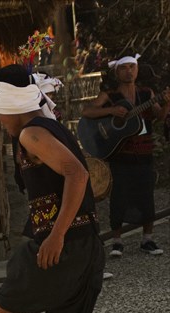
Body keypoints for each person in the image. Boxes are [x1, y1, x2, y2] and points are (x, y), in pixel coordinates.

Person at [0, 64, 118, 313]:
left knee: (2, 311)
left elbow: (78, 173)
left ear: (11, 105)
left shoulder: (32, 133)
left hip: (64, 244)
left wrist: (57, 234)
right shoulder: (47, 127)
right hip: (84, 242)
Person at [82, 55, 170, 257]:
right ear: (117, 72)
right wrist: (112, 110)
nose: (129, 71)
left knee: (147, 195)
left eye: (133, 67)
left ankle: (147, 239)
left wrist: (166, 104)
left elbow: (159, 116)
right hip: (121, 155)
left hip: (144, 153)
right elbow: (87, 112)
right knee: (119, 197)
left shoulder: (147, 94)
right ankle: (117, 241)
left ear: (137, 70)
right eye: (124, 68)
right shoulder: (110, 96)